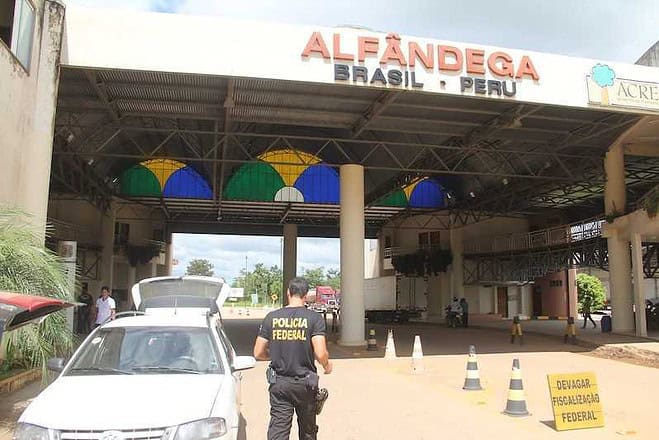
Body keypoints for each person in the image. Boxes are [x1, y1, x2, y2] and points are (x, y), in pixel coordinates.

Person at [253, 277, 332, 440]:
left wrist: (272, 355)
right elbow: (320, 353)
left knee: (278, 431)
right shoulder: (314, 318)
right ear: (305, 295)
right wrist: (327, 365)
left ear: (288, 293)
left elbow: (258, 352)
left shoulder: (271, 317)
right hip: (305, 385)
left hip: (280, 384)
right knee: (308, 431)